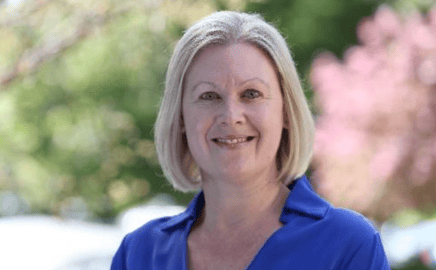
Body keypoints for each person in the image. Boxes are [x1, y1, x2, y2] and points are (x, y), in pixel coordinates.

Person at [111, 11, 390, 270]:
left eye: (251, 94)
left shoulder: (349, 245)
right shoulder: (139, 254)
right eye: (209, 96)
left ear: (285, 111)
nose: (231, 116)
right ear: (181, 116)